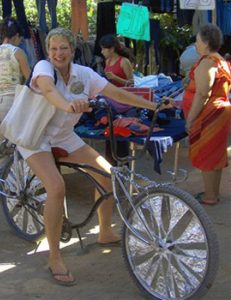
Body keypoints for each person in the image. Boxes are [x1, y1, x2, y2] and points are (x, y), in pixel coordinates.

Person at [17, 28, 171, 286]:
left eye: (63, 47)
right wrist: (68, 105)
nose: (58, 53)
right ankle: (54, 257)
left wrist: (153, 105)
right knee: (56, 187)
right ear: (48, 51)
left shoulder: (84, 74)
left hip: (64, 135)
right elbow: (48, 91)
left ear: (72, 49)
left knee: (108, 174)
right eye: (53, 48)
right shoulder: (43, 67)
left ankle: (105, 231)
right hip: (34, 135)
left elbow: (116, 93)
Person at [182, 24, 231, 206]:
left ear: (206, 42)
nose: (196, 43)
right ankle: (213, 193)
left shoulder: (208, 62)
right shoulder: (221, 60)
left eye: (198, 40)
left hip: (209, 114)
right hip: (219, 112)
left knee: (207, 156)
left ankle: (210, 197)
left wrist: (190, 119)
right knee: (216, 156)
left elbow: (203, 93)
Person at [0, 17, 31, 156]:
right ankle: (20, 177)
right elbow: (30, 78)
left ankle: (2, 175)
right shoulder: (17, 52)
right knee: (18, 144)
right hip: (12, 101)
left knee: (0, 145)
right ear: (17, 36)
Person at [99, 34, 135, 166]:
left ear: (112, 49)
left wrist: (115, 78)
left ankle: (123, 165)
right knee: (110, 133)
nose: (102, 52)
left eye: (104, 49)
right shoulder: (107, 62)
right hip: (111, 101)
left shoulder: (123, 62)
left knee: (121, 135)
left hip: (124, 103)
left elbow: (132, 84)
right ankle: (111, 163)